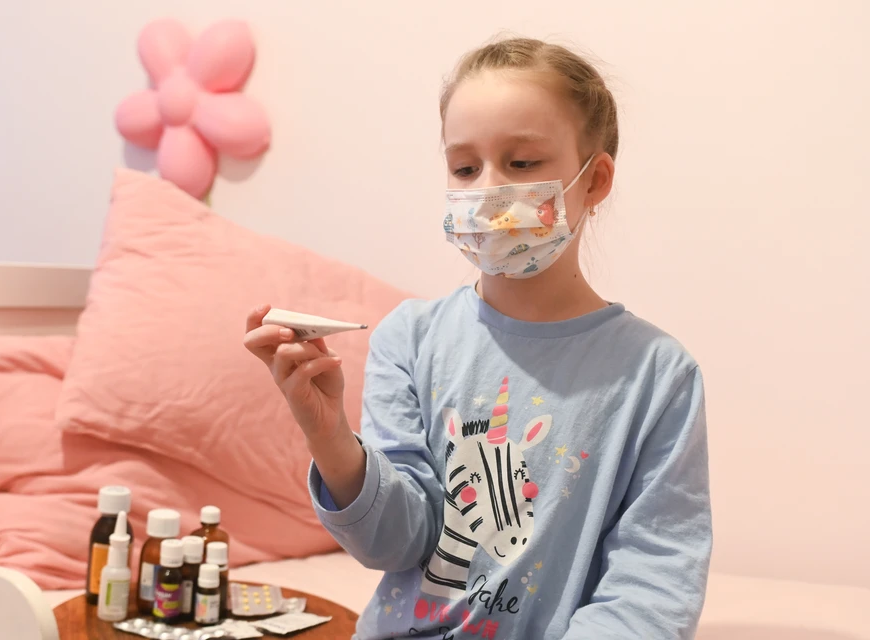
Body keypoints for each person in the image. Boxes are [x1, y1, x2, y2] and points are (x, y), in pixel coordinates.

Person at [244, 37, 711, 640]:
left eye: (522, 163)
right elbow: (396, 542)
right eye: (465, 168)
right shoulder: (410, 339)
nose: (488, 192)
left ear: (594, 181)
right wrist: (330, 437)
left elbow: (654, 585)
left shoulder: (657, 375)